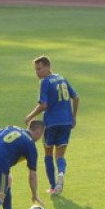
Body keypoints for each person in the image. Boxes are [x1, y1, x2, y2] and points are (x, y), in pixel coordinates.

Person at [23, 55, 79, 196]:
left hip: (51, 123)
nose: (37, 73)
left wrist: (30, 116)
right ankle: (61, 176)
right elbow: (76, 97)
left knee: (48, 153)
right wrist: (73, 117)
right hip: (66, 122)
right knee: (60, 155)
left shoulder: (45, 82)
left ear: (48, 67)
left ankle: (53, 186)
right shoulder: (62, 79)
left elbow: (43, 105)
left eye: (39, 69)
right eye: (36, 70)